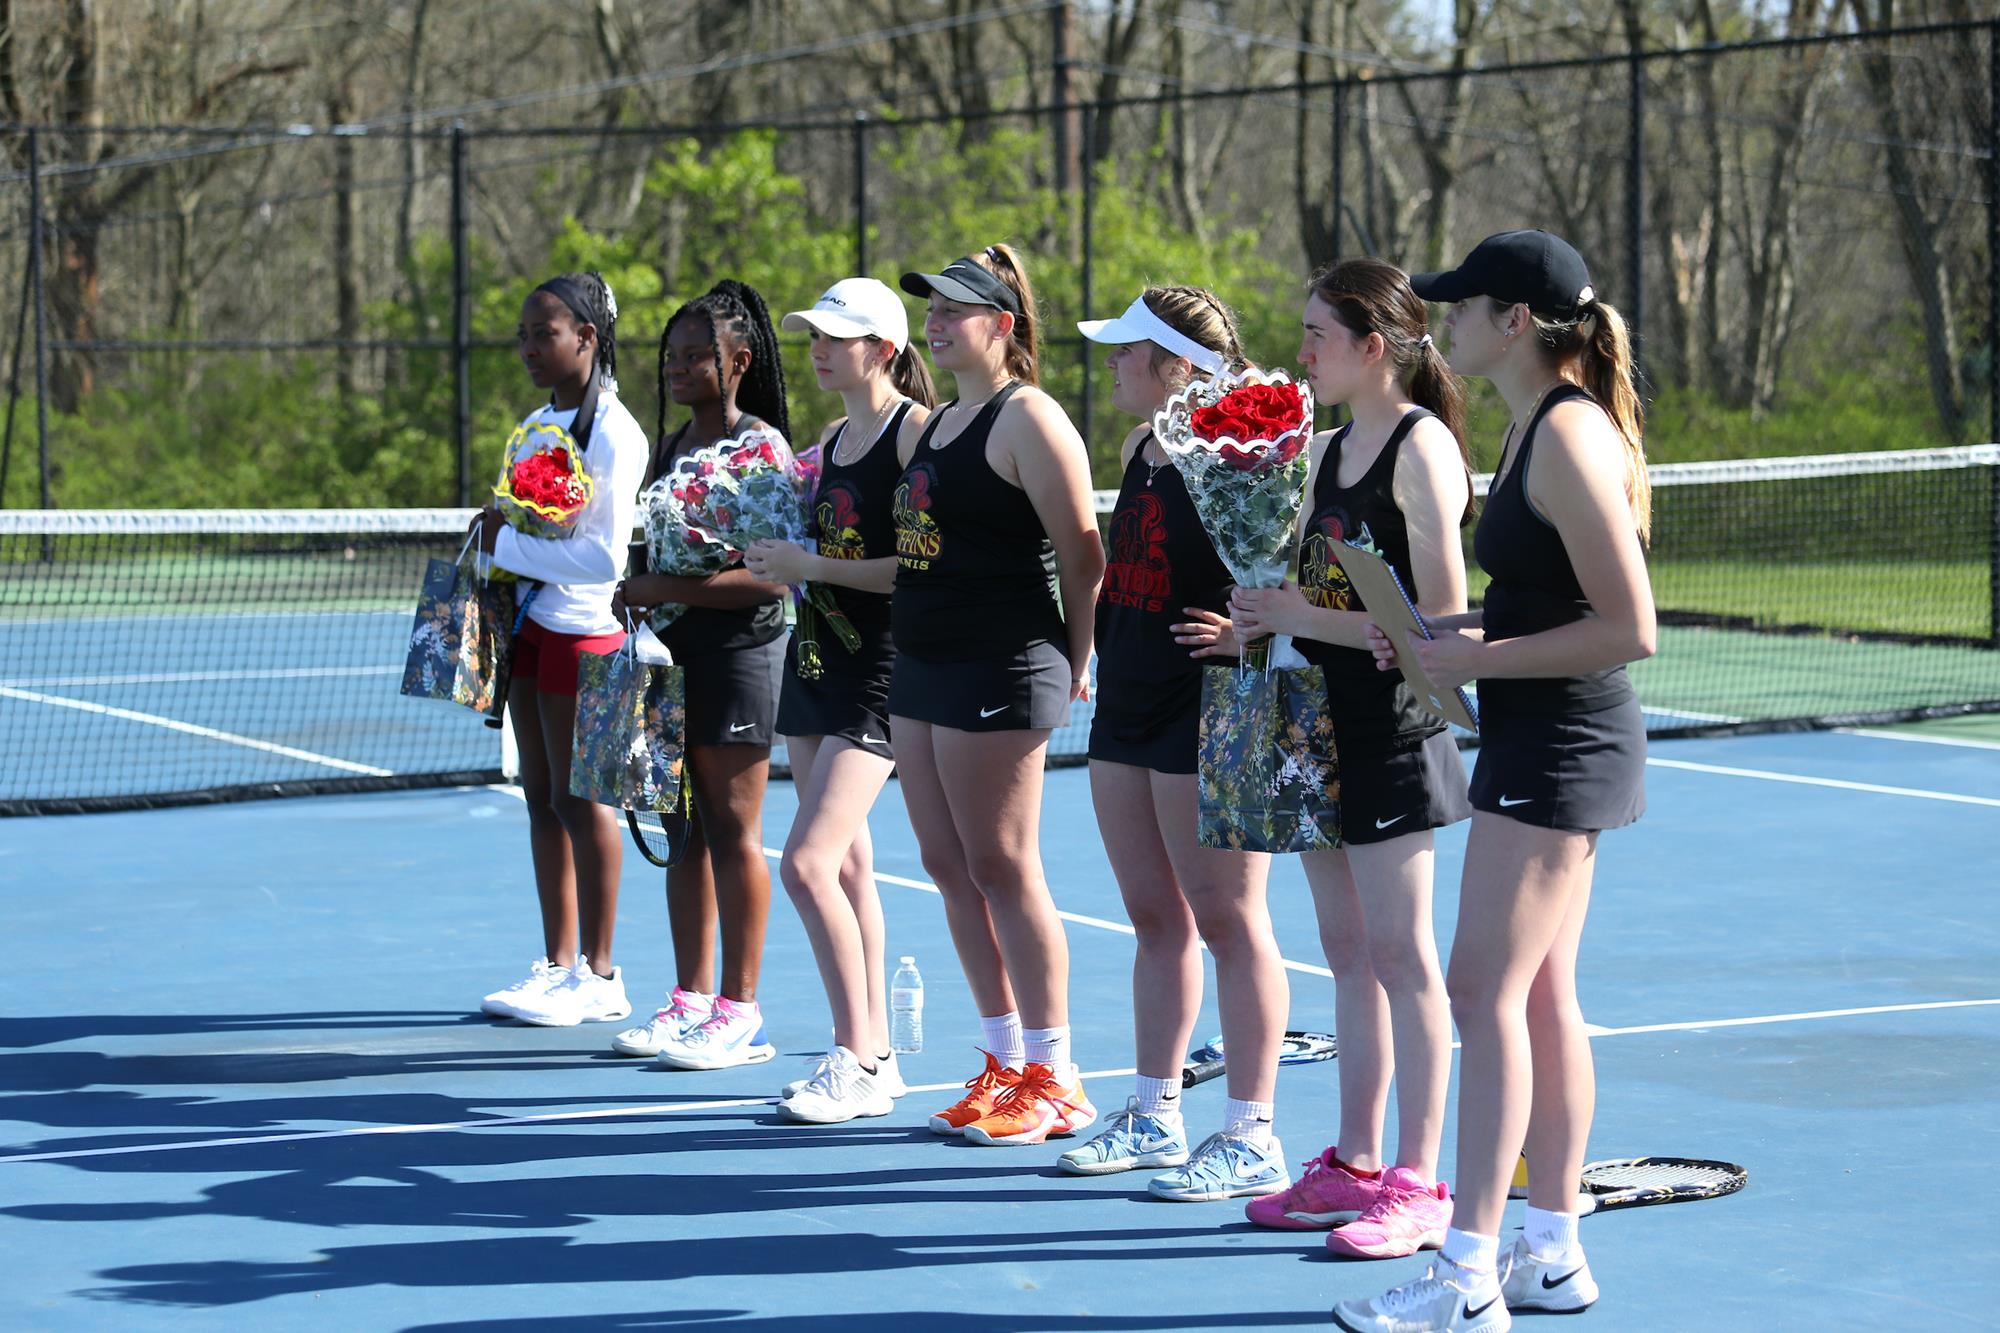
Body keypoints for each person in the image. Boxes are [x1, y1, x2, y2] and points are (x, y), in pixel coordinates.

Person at [1332, 231, 1655, 1331]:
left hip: (1559, 746)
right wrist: (1435, 629)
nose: (1446, 323)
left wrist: (1469, 657)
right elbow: (1540, 606)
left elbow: (1627, 627)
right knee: (1541, 998)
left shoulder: (1565, 435)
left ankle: (1465, 1273)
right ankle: (1550, 1252)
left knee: (1480, 992)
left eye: (1461, 306)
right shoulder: (1533, 431)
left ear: (1513, 319)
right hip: (1543, 736)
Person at [1228, 258, 1473, 1258]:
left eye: (1317, 335)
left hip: (1393, 734)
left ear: (1373, 347)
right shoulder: (1323, 453)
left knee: (1402, 958)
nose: (1301, 350)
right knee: (1344, 956)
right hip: (1313, 732)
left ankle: (1418, 1181)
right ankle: (1356, 1163)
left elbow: (1441, 625)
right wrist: (1258, 605)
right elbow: (1318, 598)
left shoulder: (1421, 449)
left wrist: (1300, 614)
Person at [1055, 286, 1294, 1202]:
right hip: (1129, 703)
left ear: (1179, 365)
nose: (1112, 363)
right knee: (1155, 917)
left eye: (1128, 351)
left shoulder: (1248, 452)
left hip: (1219, 707)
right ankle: (1155, 1113)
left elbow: (1304, 564)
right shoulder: (1139, 446)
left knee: (1233, 922)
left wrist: (1258, 634)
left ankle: (1253, 1133)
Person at [889, 245, 1105, 1146]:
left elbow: (1085, 553)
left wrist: (1079, 657)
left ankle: (1056, 1076)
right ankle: (1002, 1060)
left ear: (1002, 326)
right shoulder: (932, 424)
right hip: (924, 665)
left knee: (1005, 867)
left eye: (953, 310)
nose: (936, 323)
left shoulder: (1032, 418)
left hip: (1004, 666)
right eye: (930, 311)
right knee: (949, 865)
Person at [739, 278, 935, 1122]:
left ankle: (854, 1053)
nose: (818, 347)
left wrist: (809, 566)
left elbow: (915, 567)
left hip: (881, 673)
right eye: (812, 334)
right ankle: (877, 1053)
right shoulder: (829, 438)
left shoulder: (912, 435)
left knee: (806, 862)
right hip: (815, 660)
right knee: (849, 863)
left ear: (884, 348)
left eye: (836, 335)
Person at [609, 280, 793, 1072]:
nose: (678, 369)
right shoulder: (674, 442)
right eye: (672, 357)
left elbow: (774, 578)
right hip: (669, 661)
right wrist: (638, 592)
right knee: (680, 827)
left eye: (696, 357)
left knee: (731, 829)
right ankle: (688, 1000)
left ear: (739, 362)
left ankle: (739, 1010)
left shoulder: (761, 450)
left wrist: (664, 590)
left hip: (740, 655)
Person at [476, 271, 649, 1027]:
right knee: (542, 799)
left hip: (588, 635)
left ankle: (602, 974)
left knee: (584, 803)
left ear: (587, 336)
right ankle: (557, 963)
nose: (528, 349)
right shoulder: (537, 422)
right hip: (534, 628)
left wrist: (507, 543)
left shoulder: (616, 431)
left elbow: (604, 561)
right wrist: (501, 537)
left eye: (543, 334)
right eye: (523, 336)